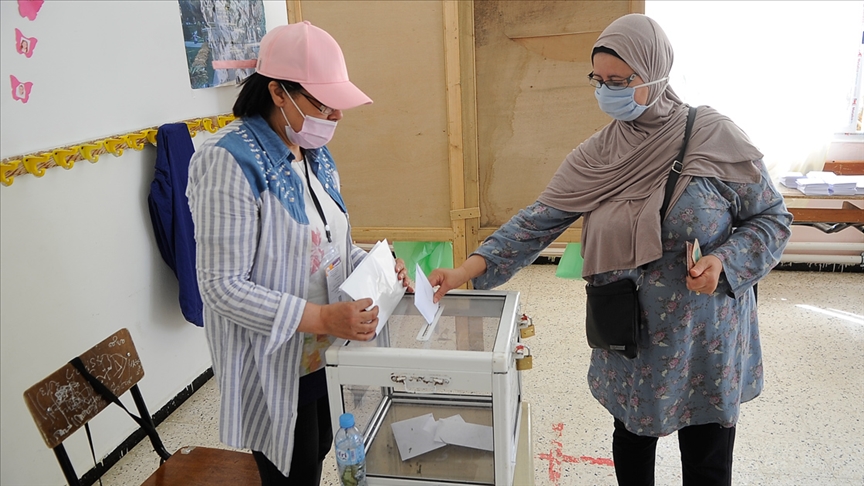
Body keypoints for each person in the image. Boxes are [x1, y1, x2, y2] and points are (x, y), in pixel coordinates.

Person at [429, 13, 792, 486]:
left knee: (707, 457)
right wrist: (467, 270)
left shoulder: (715, 137)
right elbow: (536, 222)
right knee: (633, 444)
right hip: (631, 337)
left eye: (620, 81)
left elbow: (772, 218)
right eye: (598, 80)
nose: (606, 91)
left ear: (656, 73)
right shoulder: (596, 156)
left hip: (706, 338)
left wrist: (724, 260)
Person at [186, 22, 412, 485]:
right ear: (278, 92)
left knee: (319, 448)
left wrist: (375, 265)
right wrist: (323, 318)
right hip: (276, 357)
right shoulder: (228, 161)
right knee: (291, 470)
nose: (336, 116)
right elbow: (220, 286)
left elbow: (329, 244)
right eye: (323, 103)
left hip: (324, 350)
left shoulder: (313, 152)